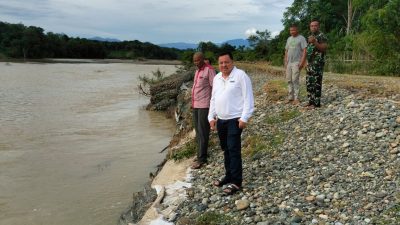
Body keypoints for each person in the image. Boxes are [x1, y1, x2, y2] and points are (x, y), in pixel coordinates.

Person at [208, 52, 254, 195]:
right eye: (221, 63)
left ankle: (236, 181)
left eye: (226, 62)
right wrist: (211, 117)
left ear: (232, 62)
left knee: (233, 149)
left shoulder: (240, 76)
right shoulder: (217, 78)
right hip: (221, 120)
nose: (224, 65)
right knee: (226, 149)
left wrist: (244, 118)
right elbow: (213, 99)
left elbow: (248, 98)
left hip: (235, 119)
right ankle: (228, 176)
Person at [191, 52, 216, 169]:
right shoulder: (197, 71)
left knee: (203, 132)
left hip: (205, 105)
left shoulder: (209, 70)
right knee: (198, 132)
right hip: (195, 105)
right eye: (194, 61)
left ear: (202, 59)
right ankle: (199, 154)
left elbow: (215, 88)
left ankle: (202, 159)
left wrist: (214, 107)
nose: (196, 62)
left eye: (198, 60)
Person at [305, 19, 328, 109]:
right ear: (310, 27)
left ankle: (316, 104)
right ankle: (310, 102)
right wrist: (306, 62)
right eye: (312, 26)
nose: (313, 27)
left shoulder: (322, 36)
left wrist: (315, 42)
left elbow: (324, 48)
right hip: (310, 64)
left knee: (316, 84)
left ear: (318, 26)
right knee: (309, 83)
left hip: (317, 64)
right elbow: (308, 50)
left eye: (315, 25)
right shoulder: (310, 36)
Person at [284, 24, 307, 105]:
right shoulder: (289, 39)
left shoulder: (301, 38)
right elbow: (286, 50)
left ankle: (296, 98)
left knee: (295, 80)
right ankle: (290, 97)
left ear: (297, 30)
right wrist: (285, 62)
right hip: (289, 63)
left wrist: (302, 62)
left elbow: (304, 50)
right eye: (290, 30)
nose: (292, 32)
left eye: (293, 30)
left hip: (296, 62)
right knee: (289, 80)